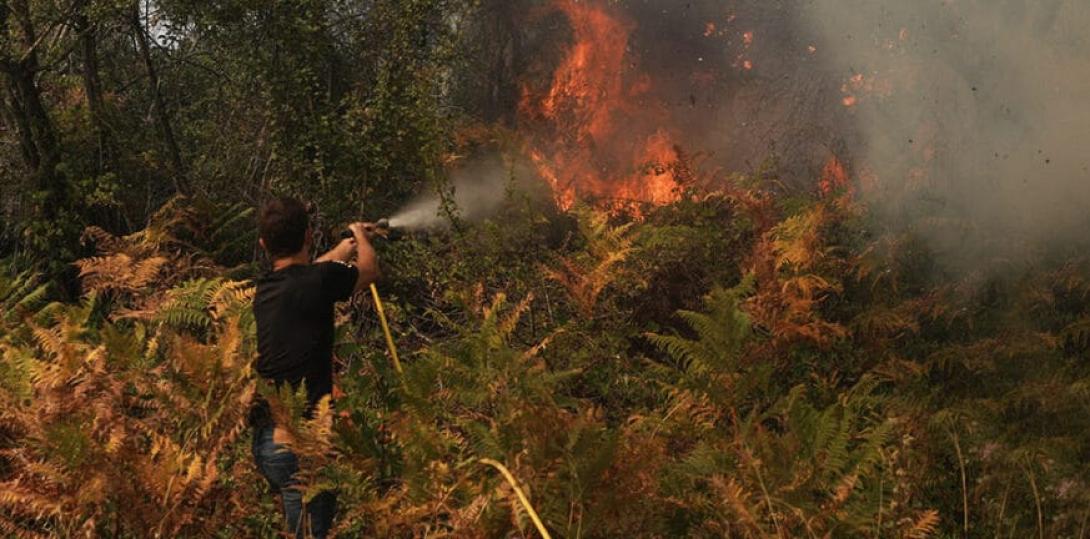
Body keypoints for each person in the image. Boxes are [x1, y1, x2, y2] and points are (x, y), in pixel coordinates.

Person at [250, 196, 379, 538]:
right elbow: (368, 270)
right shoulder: (318, 281)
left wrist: (343, 246)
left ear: (263, 244)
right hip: (300, 439)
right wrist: (361, 240)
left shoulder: (266, 289)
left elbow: (310, 274)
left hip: (267, 440)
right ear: (308, 235)